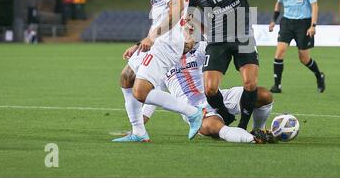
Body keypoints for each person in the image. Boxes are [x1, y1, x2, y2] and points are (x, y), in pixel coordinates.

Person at [115, 0, 204, 142]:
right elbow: (164, 15)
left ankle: (192, 112)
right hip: (158, 40)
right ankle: (138, 132)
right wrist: (140, 44)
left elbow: (177, 8)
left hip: (165, 44)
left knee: (140, 91)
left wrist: (152, 37)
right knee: (127, 77)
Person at [187, 0, 285, 130]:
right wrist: (199, 31)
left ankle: (242, 126)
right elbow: (190, 14)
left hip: (243, 35)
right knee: (210, 89)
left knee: (250, 83)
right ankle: (225, 115)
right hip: (216, 41)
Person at [115, 34, 275, 144]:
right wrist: (138, 125)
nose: (185, 42)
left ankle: (259, 130)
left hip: (218, 97)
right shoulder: (160, 64)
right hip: (195, 109)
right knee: (210, 127)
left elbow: (214, 44)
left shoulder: (198, 51)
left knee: (263, 95)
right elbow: (152, 99)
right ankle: (251, 139)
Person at [269, 0, 325, 94]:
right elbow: (279, 3)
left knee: (304, 58)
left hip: (304, 24)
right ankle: (277, 85)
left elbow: (314, 5)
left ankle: (319, 75)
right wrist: (273, 20)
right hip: (287, 22)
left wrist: (313, 25)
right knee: (279, 52)